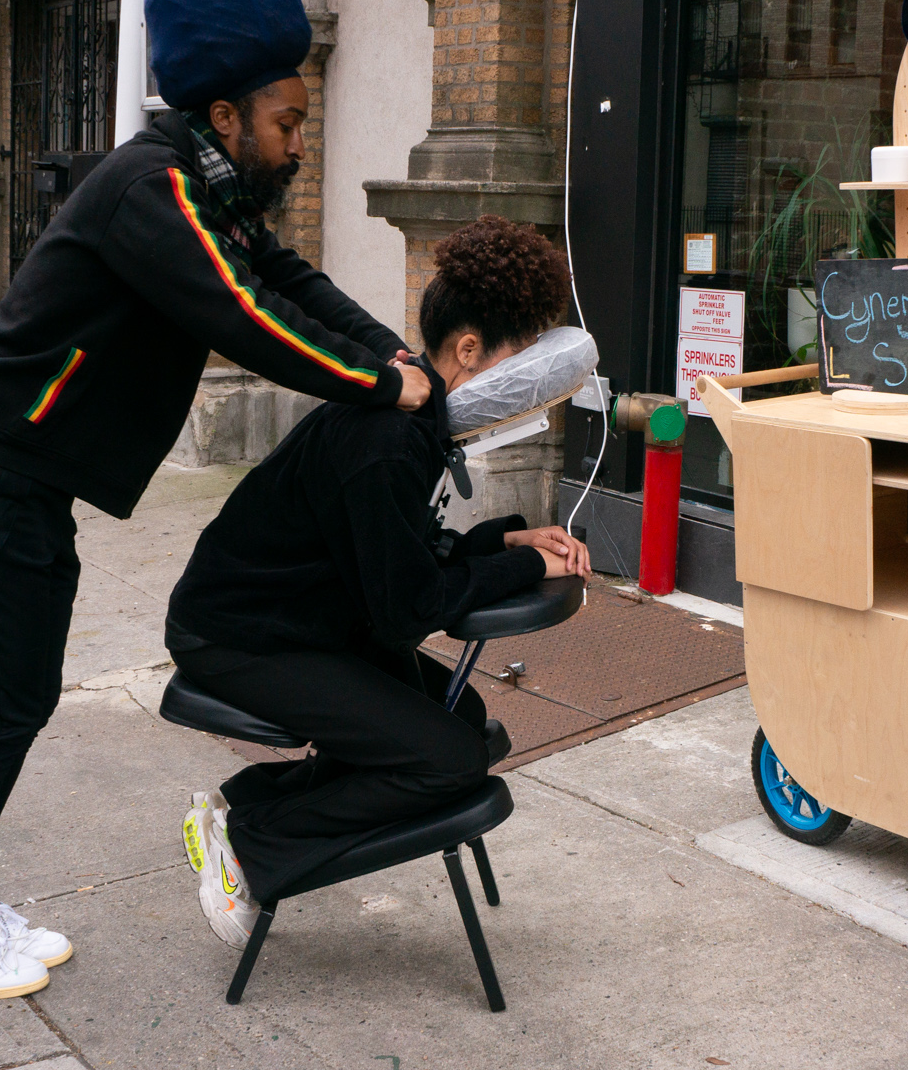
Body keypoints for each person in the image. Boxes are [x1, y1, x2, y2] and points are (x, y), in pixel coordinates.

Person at [0, 0, 432, 1001]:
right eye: (287, 122)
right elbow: (245, 317)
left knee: (10, 700)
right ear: (225, 116)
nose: (298, 142)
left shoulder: (206, 188)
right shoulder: (151, 189)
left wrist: (393, 355)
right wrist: (378, 386)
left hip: (16, 478)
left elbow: (285, 275)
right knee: (2, 705)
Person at [166, 216, 591, 946]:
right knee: (449, 760)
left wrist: (503, 537)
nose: (530, 379)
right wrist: (523, 565)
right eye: (520, 357)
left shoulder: (415, 412)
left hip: (315, 616)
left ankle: (235, 807)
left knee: (463, 728)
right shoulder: (388, 438)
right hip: (243, 635)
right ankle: (253, 851)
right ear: (468, 350)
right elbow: (406, 608)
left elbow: (399, 554)